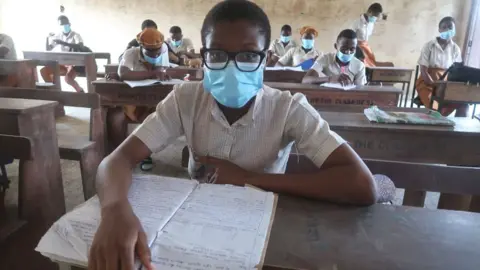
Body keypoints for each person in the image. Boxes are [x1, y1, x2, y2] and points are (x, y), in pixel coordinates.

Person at [89, 1, 377, 269]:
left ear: (265, 59)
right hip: (196, 223)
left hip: (263, 228)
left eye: (249, 55)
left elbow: (362, 185)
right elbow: (115, 161)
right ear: (203, 56)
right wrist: (114, 209)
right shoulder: (186, 100)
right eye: (216, 54)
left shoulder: (287, 108)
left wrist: (247, 178)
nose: (231, 66)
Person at [118, 27, 171, 171]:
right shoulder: (131, 53)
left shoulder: (164, 49)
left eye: (157, 53)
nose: (154, 56)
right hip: (133, 97)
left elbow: (164, 70)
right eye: (150, 53)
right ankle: (121, 154)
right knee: (117, 116)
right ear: (141, 47)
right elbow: (123, 73)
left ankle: (144, 153)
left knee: (155, 114)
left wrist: (160, 73)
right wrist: (152, 73)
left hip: (153, 95)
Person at [416, 16, 467, 117]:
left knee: (463, 103)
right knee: (434, 104)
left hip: (446, 83)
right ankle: (436, 122)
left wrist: (448, 86)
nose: (447, 29)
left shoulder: (455, 49)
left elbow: (457, 71)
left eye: (450, 27)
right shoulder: (429, 46)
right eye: (444, 27)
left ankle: (458, 130)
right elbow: (423, 70)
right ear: (439, 30)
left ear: (454, 29)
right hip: (428, 82)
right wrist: (435, 85)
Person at [40, 15, 85, 93]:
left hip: (73, 63)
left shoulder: (76, 35)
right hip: (61, 63)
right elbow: (48, 49)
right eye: (61, 24)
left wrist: (63, 43)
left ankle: (80, 91)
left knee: (68, 78)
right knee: (44, 71)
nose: (64, 26)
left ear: (69, 24)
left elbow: (80, 46)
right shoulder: (59, 35)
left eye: (65, 24)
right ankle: (54, 91)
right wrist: (47, 38)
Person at [352, 3, 383, 67]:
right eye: (375, 16)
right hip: (356, 47)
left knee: (372, 65)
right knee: (360, 65)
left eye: (377, 17)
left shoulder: (371, 24)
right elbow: (351, 38)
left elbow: (366, 39)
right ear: (369, 12)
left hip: (366, 47)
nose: (375, 19)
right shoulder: (357, 23)